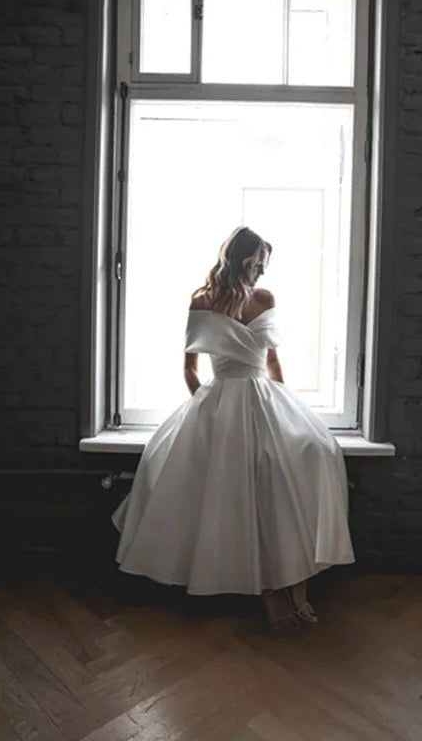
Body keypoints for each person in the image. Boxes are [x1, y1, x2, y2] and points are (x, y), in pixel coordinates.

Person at [112, 226, 354, 630]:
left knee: (308, 459)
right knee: (223, 492)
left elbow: (272, 362)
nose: (262, 271)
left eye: (265, 264)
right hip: (220, 396)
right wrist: (206, 407)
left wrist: (284, 408)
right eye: (258, 262)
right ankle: (265, 591)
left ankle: (290, 589)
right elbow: (189, 369)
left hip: (262, 397)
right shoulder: (201, 300)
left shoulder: (265, 298)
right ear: (243, 259)